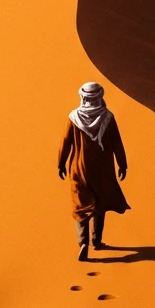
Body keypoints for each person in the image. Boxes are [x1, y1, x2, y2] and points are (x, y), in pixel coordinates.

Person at [58, 81, 129, 261]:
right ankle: (96, 240)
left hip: (79, 168)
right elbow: (117, 143)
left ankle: (83, 242)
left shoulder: (74, 117)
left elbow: (66, 142)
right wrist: (122, 164)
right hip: (103, 169)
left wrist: (60, 163)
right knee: (100, 203)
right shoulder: (108, 117)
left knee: (80, 205)